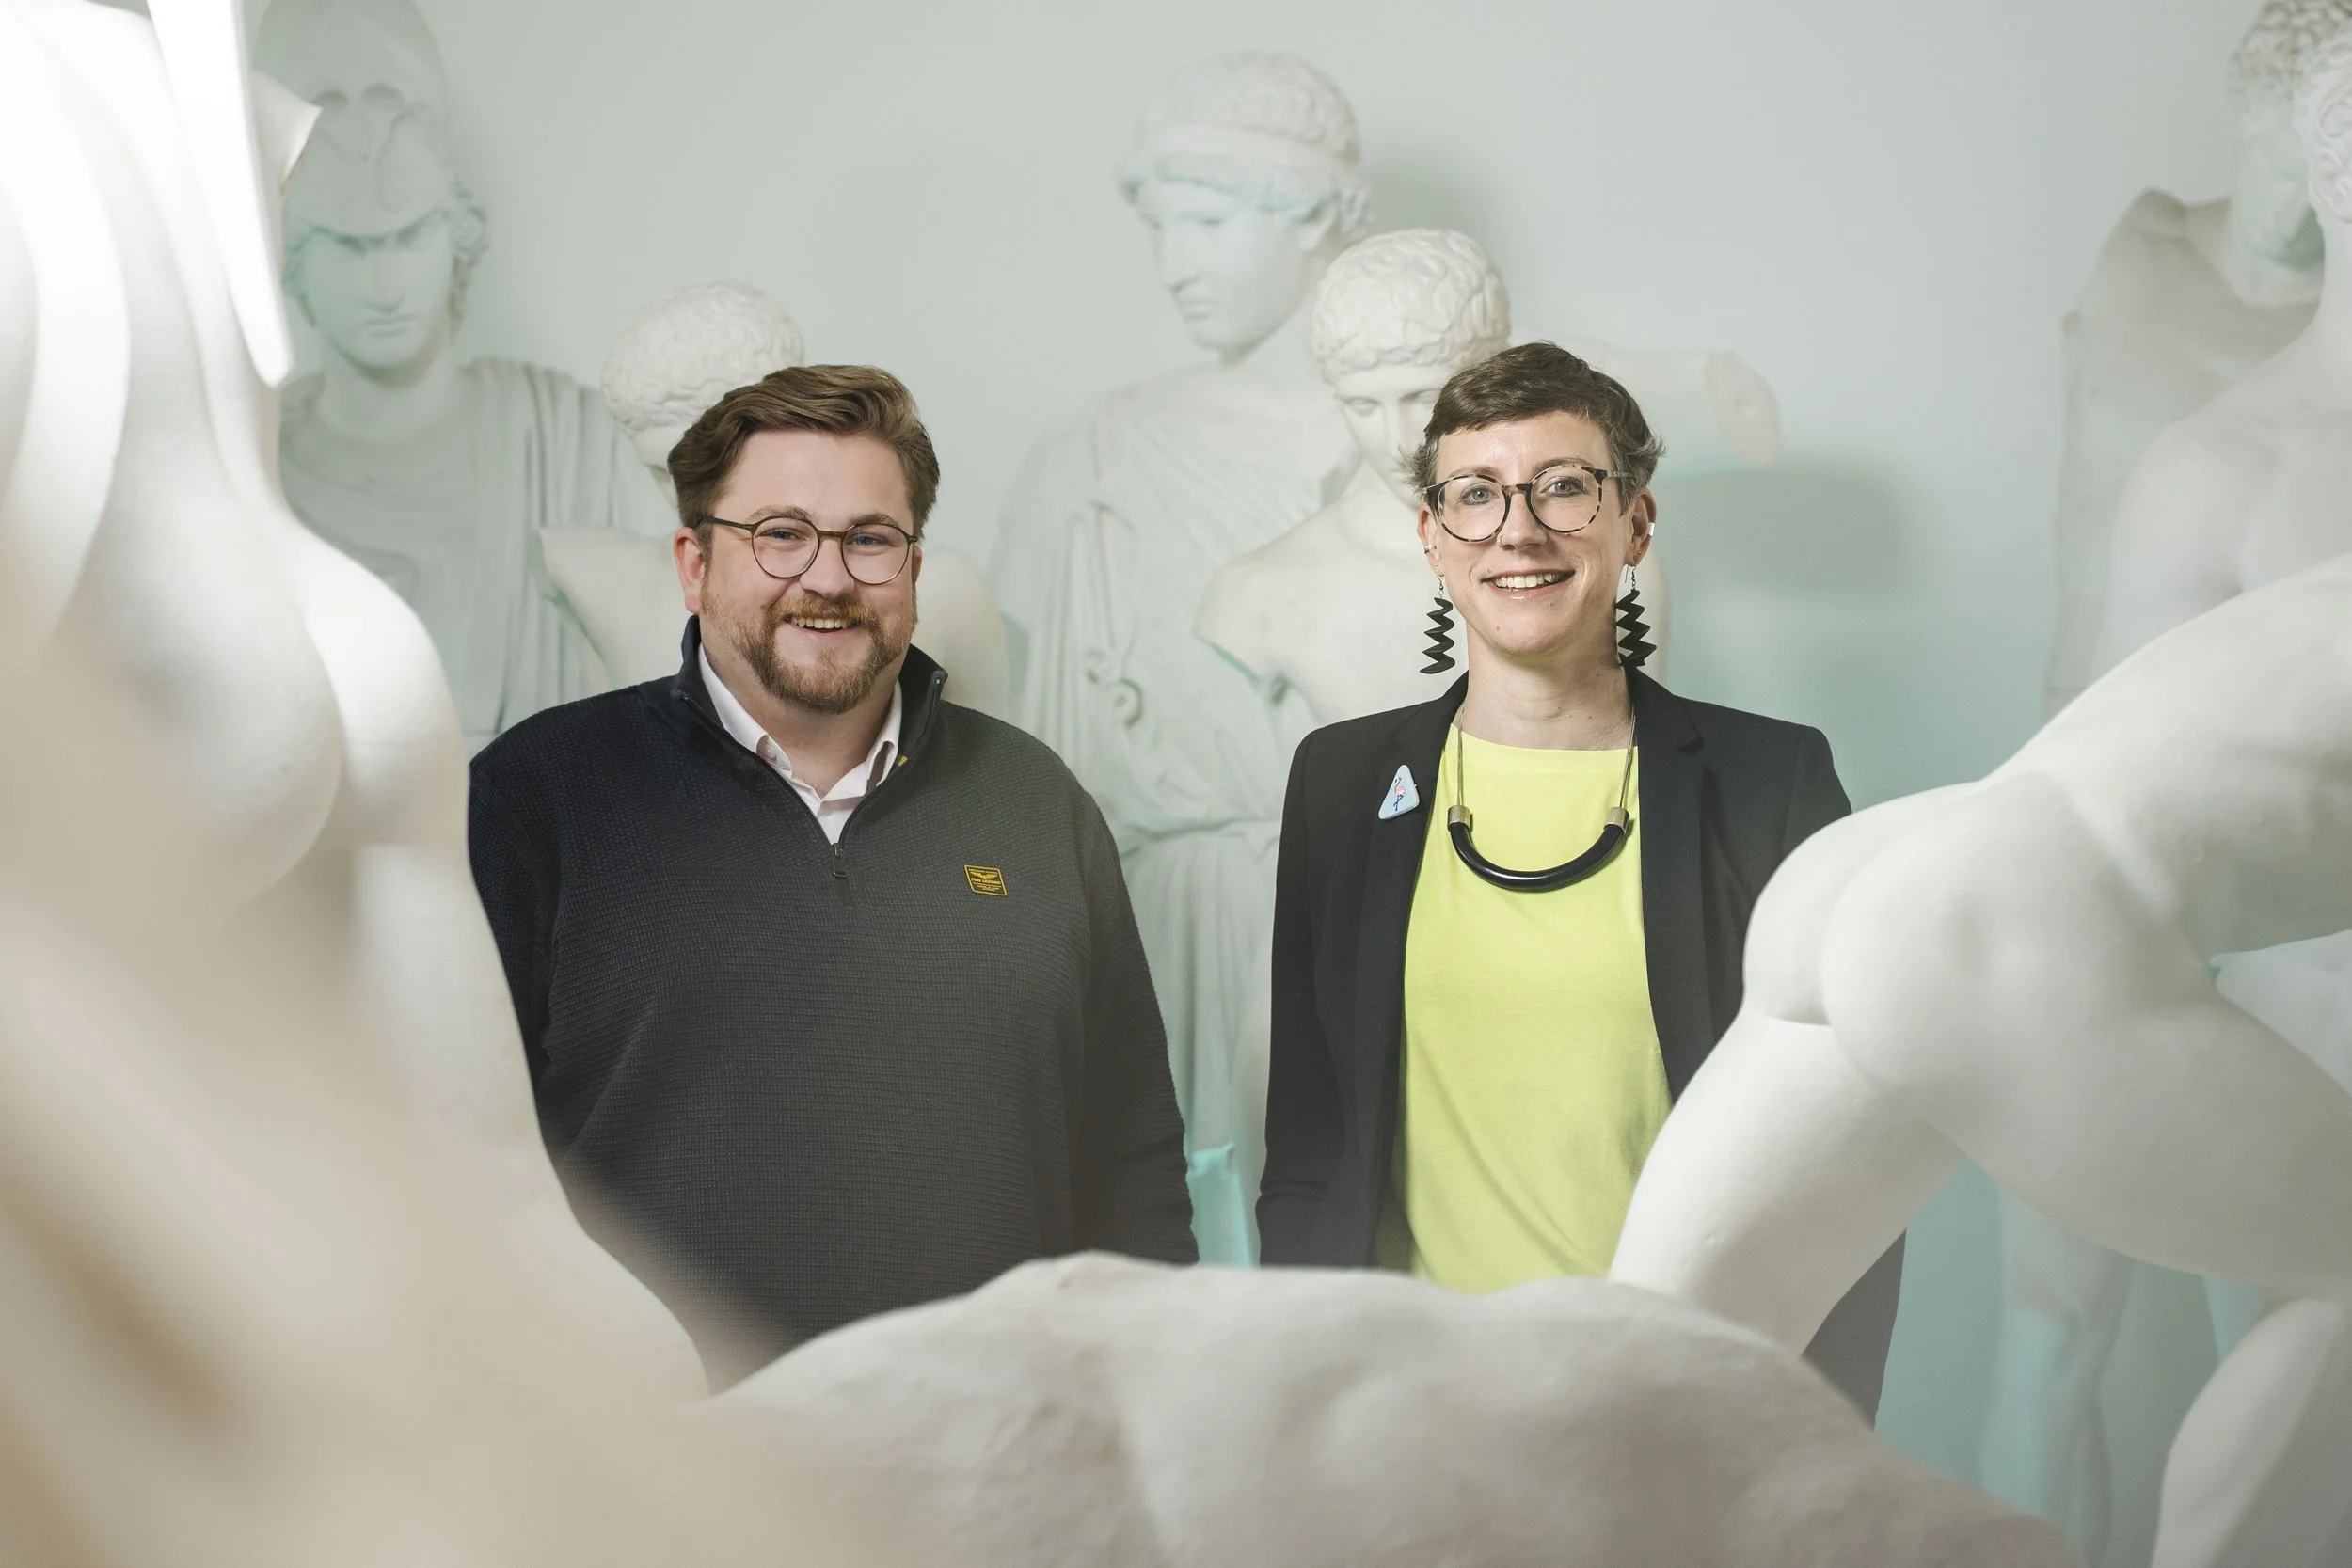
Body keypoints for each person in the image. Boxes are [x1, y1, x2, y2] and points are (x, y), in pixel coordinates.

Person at [469, 365, 1196, 1384]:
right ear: (694, 563)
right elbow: (451, 1166)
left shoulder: (1035, 803)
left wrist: (1145, 1394)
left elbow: (1131, 1161)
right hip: (672, 1451)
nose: (827, 578)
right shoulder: (536, 797)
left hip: (997, 1443)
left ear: (913, 567)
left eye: (869, 539)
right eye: (780, 534)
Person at [1257, 342, 1902, 1414]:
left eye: (1563, 487)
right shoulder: (1341, 783)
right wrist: (1302, 1395)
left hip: (1674, 1404)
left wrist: (1810, 1431)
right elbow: (1309, 1140)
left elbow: (1849, 1154)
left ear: (1634, 523)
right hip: (1407, 1409)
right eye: (1476, 494)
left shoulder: (1769, 784)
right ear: (1433, 536)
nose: (1518, 530)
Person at [989, 53, 1373, 1262]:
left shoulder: (1440, 448)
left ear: (1309, 214)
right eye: (1160, 228)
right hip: (1164, 923)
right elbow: (1020, 753)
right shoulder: (1092, 461)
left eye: (1205, 222)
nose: (1173, 264)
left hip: (1379, 907)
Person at [259, 0, 670, 752]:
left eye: (410, 235)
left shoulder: (568, 437)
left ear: (456, 239)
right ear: (293, 263)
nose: (384, 284)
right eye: (346, 246)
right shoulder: (253, 461)